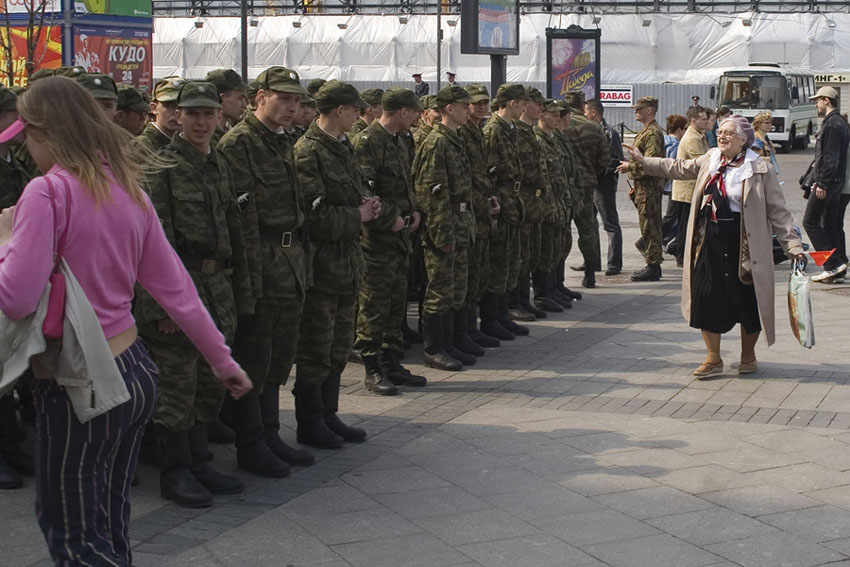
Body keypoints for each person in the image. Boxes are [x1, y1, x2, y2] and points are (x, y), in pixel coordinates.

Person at [0, 75, 252, 566]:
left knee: (75, 534)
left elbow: (14, 298)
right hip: (134, 369)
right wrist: (222, 361)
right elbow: (176, 288)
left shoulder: (46, 193)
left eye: (27, 137)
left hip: (80, 383)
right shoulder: (126, 188)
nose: (27, 150)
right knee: (109, 522)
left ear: (45, 131)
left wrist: (8, 238)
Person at [134, 81, 253, 508]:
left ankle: (200, 461)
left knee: (207, 382)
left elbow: (235, 230)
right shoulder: (161, 166)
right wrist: (161, 306)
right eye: (192, 114)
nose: (201, 122)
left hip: (216, 284)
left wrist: (243, 291)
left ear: (219, 116)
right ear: (176, 116)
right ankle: (176, 471)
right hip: (179, 286)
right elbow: (152, 245)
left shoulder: (217, 161)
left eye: (208, 114)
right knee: (177, 383)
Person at [626, 114, 804, 377]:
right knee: (706, 295)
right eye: (720, 131)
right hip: (708, 237)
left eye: (729, 133)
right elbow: (678, 167)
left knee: (746, 300)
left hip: (744, 242)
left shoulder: (760, 168)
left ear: (744, 139)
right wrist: (644, 161)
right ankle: (713, 358)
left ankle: (748, 355)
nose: (722, 136)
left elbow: (778, 212)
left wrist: (794, 246)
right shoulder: (711, 159)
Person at [218, 66, 314, 477]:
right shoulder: (239, 144)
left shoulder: (284, 141)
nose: (292, 107)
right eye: (284, 98)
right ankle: (251, 444)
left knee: (279, 356)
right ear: (260, 97)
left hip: (288, 263)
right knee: (254, 356)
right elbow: (239, 221)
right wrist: (247, 284)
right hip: (261, 263)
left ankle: (271, 434)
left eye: (296, 100)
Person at [294, 80, 381, 447]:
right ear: (339, 110)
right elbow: (311, 218)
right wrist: (356, 216)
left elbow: (347, 196)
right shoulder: (308, 151)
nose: (358, 115)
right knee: (316, 346)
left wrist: (366, 205)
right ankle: (310, 421)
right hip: (322, 267)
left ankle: (329, 414)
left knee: (339, 344)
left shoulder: (341, 147)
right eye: (353, 108)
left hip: (346, 263)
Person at [351, 87, 427, 394]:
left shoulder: (402, 140)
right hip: (377, 240)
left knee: (397, 302)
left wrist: (417, 210)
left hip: (402, 237)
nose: (418, 117)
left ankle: (392, 362)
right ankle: (372, 367)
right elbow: (365, 192)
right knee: (374, 304)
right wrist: (390, 218)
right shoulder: (368, 142)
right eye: (414, 112)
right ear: (402, 112)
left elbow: (411, 181)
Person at [412, 85, 476, 370]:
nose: (469, 110)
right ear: (449, 108)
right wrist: (441, 232)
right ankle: (434, 348)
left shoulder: (454, 138)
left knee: (456, 287)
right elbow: (431, 193)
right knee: (440, 288)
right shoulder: (437, 142)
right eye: (464, 106)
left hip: (459, 222)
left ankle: (450, 341)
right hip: (445, 225)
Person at [481, 84, 531, 337]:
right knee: (499, 261)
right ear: (512, 103)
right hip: (501, 200)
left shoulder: (509, 129)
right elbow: (489, 171)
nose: (525, 106)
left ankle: (502, 315)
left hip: (513, 200)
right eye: (522, 102)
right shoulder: (494, 130)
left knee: (511, 260)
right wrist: (493, 200)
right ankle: (492, 319)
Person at [459, 84, 504, 343]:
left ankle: (474, 329)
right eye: (476, 104)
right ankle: (464, 332)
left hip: (482, 206)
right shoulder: (464, 133)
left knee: (479, 272)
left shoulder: (476, 131)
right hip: (471, 209)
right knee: (467, 276)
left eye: (485, 103)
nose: (481, 107)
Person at [805, 86, 850, 283]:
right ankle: (839, 265)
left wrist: (821, 182)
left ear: (826, 100)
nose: (816, 104)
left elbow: (829, 157)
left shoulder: (831, 124)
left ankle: (831, 265)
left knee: (810, 222)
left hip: (828, 183)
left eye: (818, 100)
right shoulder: (840, 122)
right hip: (838, 183)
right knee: (830, 224)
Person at [617, 96, 665, 281]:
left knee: (650, 226)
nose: (635, 112)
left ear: (650, 111)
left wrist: (630, 167)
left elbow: (650, 163)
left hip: (650, 187)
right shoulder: (645, 131)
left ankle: (653, 266)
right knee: (647, 225)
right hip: (643, 187)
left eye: (639, 109)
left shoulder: (652, 133)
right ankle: (652, 262)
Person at [565, 91, 609, 288]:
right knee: (588, 229)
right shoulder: (593, 127)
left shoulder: (560, 125)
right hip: (586, 184)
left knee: (561, 229)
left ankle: (556, 278)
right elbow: (604, 160)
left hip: (564, 185)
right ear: (583, 105)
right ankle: (590, 273)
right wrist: (592, 173)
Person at [584, 98, 623, 276]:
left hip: (604, 184)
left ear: (593, 113)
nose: (584, 115)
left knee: (610, 223)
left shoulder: (610, 133)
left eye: (586, 111)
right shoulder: (589, 132)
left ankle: (614, 263)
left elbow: (616, 159)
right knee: (591, 223)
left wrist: (601, 173)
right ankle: (592, 261)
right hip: (592, 182)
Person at [670, 106, 710, 267]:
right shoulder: (693, 138)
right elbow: (700, 162)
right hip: (687, 190)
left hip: (690, 189)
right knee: (685, 225)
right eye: (703, 119)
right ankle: (681, 256)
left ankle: (681, 252)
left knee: (686, 224)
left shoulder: (698, 135)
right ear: (693, 121)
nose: (706, 122)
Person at [661, 114, 687, 252]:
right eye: (684, 129)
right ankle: (651, 240)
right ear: (679, 130)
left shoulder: (664, 141)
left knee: (673, 215)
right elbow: (673, 166)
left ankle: (665, 240)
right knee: (672, 216)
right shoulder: (675, 145)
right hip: (674, 185)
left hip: (668, 184)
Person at [137, 77, 186, 151]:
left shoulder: (189, 143)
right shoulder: (141, 147)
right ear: (154, 108)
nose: (177, 112)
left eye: (182, 106)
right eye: (169, 106)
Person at [205, 68, 249, 146]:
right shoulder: (205, 137)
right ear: (221, 99)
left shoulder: (228, 129)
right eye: (240, 98)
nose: (244, 105)